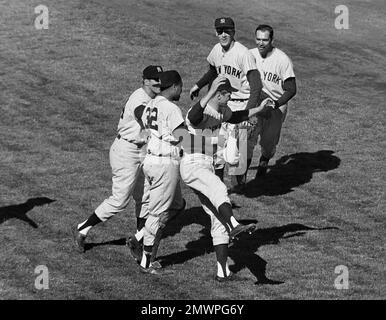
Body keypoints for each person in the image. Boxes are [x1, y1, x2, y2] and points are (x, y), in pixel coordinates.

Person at [178, 75, 274, 281]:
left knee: (217, 220)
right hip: (193, 164)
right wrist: (210, 90)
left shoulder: (222, 110)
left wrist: (259, 109)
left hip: (206, 166)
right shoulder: (201, 110)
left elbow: (238, 116)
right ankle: (234, 226)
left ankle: (223, 272)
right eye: (228, 94)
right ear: (219, 94)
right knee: (221, 190)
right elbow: (194, 116)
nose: (231, 97)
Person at [72, 65, 163, 254]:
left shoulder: (155, 98)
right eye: (155, 79)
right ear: (145, 81)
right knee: (120, 200)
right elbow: (140, 113)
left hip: (142, 150)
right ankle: (83, 228)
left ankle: (139, 240)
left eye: (160, 79)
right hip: (126, 151)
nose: (159, 82)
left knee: (144, 196)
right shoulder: (139, 98)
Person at [189, 17, 264, 193]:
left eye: (227, 31)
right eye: (220, 31)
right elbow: (213, 71)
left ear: (233, 32)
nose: (223, 34)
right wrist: (198, 85)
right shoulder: (216, 50)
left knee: (238, 153)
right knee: (219, 147)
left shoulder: (243, 54)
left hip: (243, 104)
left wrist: (249, 113)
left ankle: (240, 182)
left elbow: (256, 85)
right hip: (224, 104)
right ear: (216, 32)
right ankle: (221, 186)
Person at [135, 70, 186, 274]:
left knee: (177, 205)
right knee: (156, 214)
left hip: (150, 160)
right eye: (181, 86)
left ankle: (139, 238)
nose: (182, 90)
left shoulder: (151, 104)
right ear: (174, 86)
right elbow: (185, 138)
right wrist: (212, 144)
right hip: (164, 164)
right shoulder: (171, 108)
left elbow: (139, 113)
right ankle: (146, 261)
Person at [249, 25, 297, 177]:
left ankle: (264, 162)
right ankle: (240, 180)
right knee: (246, 141)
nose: (261, 43)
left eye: (265, 40)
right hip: (255, 105)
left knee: (268, 145)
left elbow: (291, 89)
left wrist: (276, 104)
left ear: (272, 40)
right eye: (258, 39)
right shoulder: (248, 55)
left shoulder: (282, 60)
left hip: (275, 107)